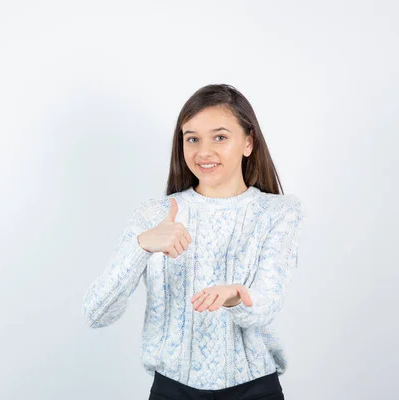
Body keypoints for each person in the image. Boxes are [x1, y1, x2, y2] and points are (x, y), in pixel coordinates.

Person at [82, 84, 305, 400]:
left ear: (248, 141)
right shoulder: (155, 214)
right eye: (192, 139)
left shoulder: (278, 211)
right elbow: (96, 313)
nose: (204, 152)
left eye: (220, 137)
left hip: (253, 389)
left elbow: (266, 304)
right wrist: (140, 246)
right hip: (172, 389)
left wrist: (236, 297)